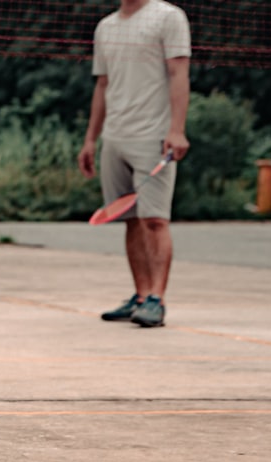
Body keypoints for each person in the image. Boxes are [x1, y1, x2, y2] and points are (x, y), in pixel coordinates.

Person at [78, 0, 191, 328]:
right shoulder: (106, 27)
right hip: (115, 137)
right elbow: (102, 85)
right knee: (128, 218)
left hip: (153, 137)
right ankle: (140, 296)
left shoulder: (168, 17)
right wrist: (91, 139)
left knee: (155, 219)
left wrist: (177, 130)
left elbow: (178, 72)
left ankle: (157, 298)